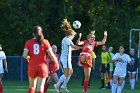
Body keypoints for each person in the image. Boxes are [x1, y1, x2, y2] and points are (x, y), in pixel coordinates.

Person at [23, 26, 59, 93]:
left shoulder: (29, 42)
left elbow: (24, 55)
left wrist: (29, 59)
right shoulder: (45, 42)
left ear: (33, 33)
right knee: (40, 88)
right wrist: (56, 62)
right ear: (41, 32)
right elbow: (51, 55)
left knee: (32, 87)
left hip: (32, 66)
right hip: (42, 67)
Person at [54, 19, 82, 93]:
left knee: (71, 72)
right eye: (73, 35)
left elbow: (71, 49)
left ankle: (64, 85)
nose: (73, 36)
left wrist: (78, 48)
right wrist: (82, 47)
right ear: (69, 35)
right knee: (67, 73)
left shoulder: (66, 39)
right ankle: (58, 85)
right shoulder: (67, 40)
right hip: (65, 59)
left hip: (67, 58)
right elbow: (74, 46)